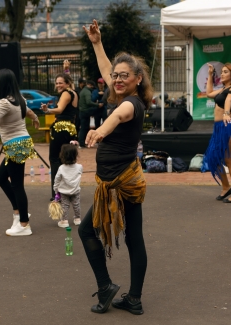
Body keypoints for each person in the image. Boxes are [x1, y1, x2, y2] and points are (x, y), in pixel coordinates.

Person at [78, 19, 153, 315]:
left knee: (87, 231)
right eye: (115, 76)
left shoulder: (132, 104)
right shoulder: (119, 92)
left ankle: (109, 288)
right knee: (135, 237)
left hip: (122, 182)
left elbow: (118, 116)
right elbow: (105, 66)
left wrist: (100, 131)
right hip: (111, 181)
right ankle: (132, 298)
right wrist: (96, 42)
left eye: (124, 76)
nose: (118, 79)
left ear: (137, 79)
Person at [0, 69, 40, 236]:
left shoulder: (4, 103)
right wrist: (35, 119)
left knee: (17, 184)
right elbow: (29, 112)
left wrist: (34, 118)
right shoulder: (19, 99)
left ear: (1, 84)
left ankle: (24, 224)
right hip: (20, 144)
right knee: (0, 177)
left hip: (15, 145)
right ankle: (19, 212)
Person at [41, 73, 78, 200]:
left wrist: (48, 110)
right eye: (56, 83)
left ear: (67, 83)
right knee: (66, 160)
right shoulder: (73, 92)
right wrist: (66, 69)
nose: (57, 85)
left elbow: (60, 109)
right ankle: (69, 191)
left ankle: (57, 194)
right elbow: (67, 79)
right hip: (70, 129)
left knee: (55, 159)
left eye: (60, 83)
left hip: (61, 129)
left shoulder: (66, 93)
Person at [205, 62, 231, 202]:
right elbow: (208, 93)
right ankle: (226, 188)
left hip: (228, 125)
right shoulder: (223, 89)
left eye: (226, 71)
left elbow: (229, 101)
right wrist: (210, 74)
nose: (223, 74)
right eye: (222, 72)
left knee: (230, 160)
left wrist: (226, 113)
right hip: (218, 127)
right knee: (214, 158)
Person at [53, 143, 83, 228]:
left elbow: (57, 180)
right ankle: (78, 219)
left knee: (64, 206)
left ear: (62, 155)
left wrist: (56, 189)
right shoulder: (79, 167)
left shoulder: (61, 168)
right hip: (76, 190)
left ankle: (64, 221)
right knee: (76, 205)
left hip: (64, 191)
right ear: (76, 155)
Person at [78, 80, 103, 148]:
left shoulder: (83, 90)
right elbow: (88, 102)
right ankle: (82, 143)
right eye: (92, 87)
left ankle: (83, 142)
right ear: (90, 85)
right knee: (84, 127)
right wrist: (97, 105)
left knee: (84, 127)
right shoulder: (87, 92)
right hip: (85, 111)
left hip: (82, 111)